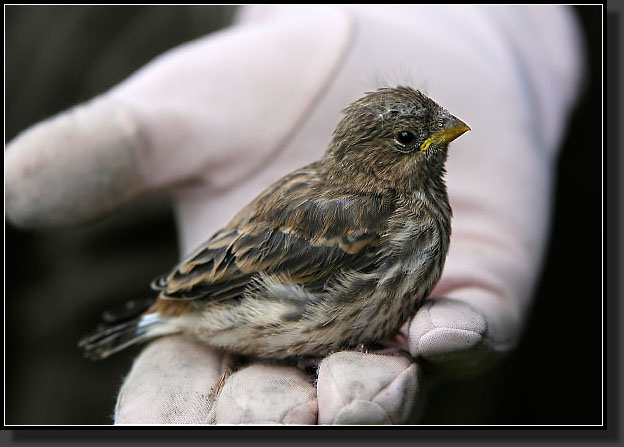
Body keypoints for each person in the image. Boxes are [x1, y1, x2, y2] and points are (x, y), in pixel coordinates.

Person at [5, 5, 584, 424]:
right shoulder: (370, 218)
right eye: (414, 137)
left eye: (437, 126)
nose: (447, 133)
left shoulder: (405, 207)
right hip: (233, 303)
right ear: (377, 157)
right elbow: (254, 279)